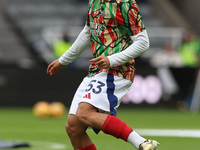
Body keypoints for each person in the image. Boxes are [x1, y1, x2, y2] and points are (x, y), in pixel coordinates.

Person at [47, 0, 159, 150]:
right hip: (97, 69)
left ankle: (141, 142)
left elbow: (143, 42)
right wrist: (63, 60)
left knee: (84, 113)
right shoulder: (94, 1)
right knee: (73, 127)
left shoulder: (125, 3)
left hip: (118, 69)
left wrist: (111, 60)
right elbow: (88, 32)